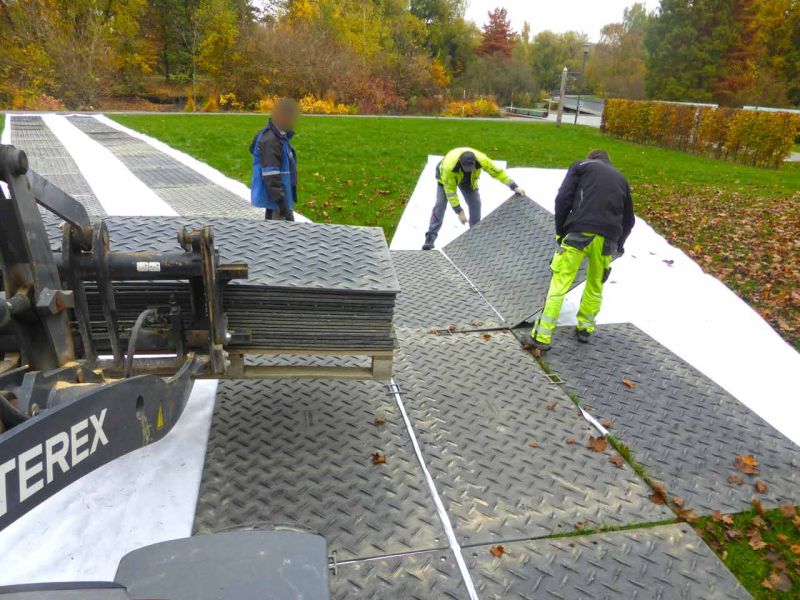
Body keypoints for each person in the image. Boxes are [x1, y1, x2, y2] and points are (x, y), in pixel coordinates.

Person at [531, 149, 634, 350]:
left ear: (591, 158)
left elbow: (562, 199)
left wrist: (561, 232)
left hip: (579, 233)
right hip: (607, 240)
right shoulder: (621, 179)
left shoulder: (581, 166)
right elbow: (629, 220)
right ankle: (585, 329)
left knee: (560, 282)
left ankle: (542, 337)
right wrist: (619, 244)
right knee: (595, 284)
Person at [422, 147, 525, 250]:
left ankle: (474, 235)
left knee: (476, 203)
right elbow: (451, 192)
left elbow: (498, 172)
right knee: (440, 205)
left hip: (468, 180)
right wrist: (459, 211)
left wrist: (514, 186)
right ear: (461, 164)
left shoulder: (482, 160)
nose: (469, 169)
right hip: (445, 179)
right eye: (466, 168)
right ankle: (430, 237)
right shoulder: (449, 168)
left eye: (471, 167)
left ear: (474, 162)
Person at [250, 97, 299, 221]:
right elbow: (271, 176)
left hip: (281, 199)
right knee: (280, 236)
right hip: (277, 203)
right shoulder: (271, 141)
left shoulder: (280, 137)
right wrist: (282, 205)